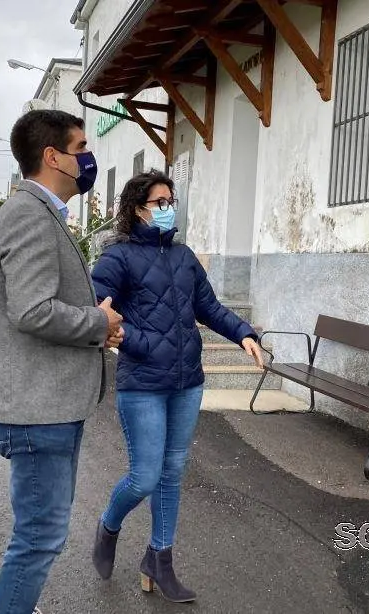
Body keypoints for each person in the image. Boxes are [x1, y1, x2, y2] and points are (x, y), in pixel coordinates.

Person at [89, 169, 264, 603]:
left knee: (172, 473)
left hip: (187, 383)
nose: (169, 210)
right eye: (160, 203)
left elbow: (208, 306)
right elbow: (96, 309)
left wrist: (243, 333)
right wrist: (133, 339)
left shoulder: (184, 256)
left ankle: (159, 560)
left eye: (172, 202)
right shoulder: (118, 258)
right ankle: (109, 525)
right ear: (137, 209)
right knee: (145, 476)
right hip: (143, 384)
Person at [0, 109, 125, 614]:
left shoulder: (38, 214)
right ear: (53, 156)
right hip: (37, 410)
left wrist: (92, 324)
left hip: (45, 406)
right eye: (82, 148)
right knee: (40, 539)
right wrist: (97, 324)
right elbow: (32, 309)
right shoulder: (28, 216)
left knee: (39, 536)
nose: (88, 158)